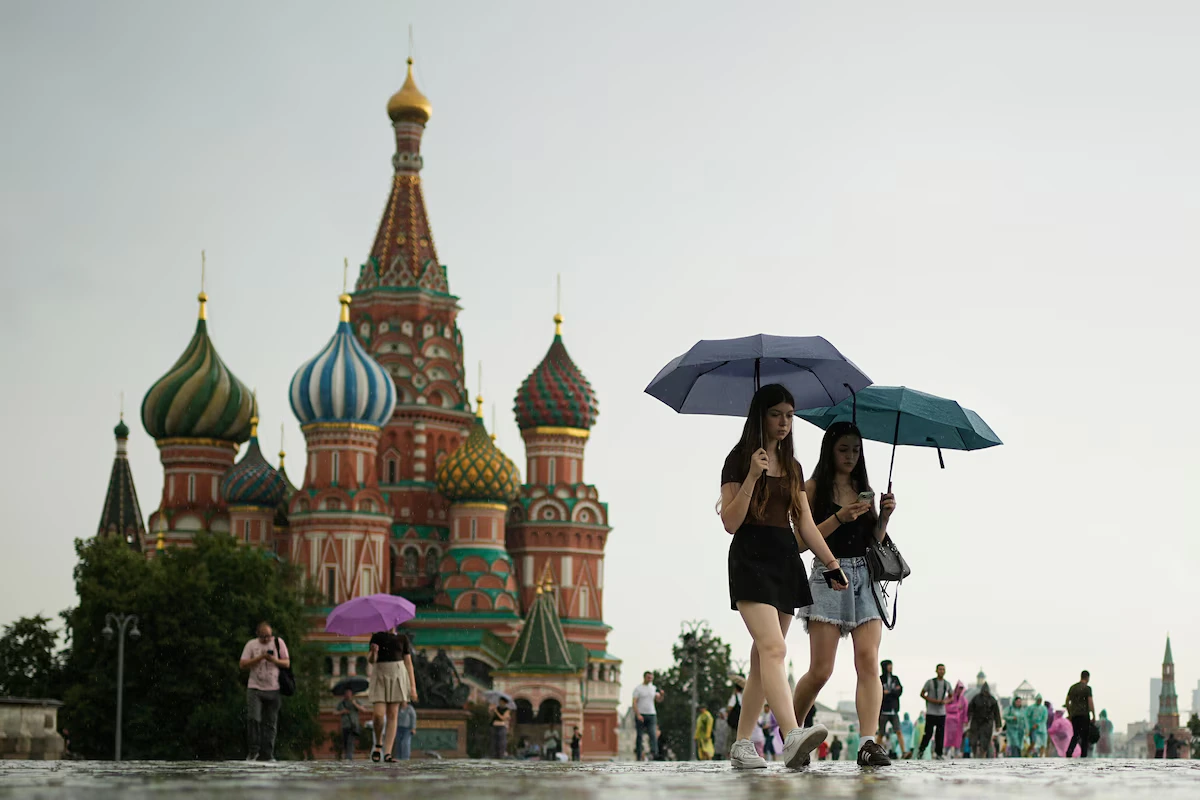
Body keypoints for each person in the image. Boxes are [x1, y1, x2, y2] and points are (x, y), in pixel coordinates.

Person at [718, 384, 847, 770]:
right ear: (761, 416)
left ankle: (742, 745)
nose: (785, 422)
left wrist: (832, 563)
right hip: (749, 558)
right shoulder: (739, 460)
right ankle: (791, 734)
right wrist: (752, 478)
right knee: (774, 650)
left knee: (762, 658)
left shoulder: (793, 468)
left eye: (790, 415)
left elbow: (805, 525)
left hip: (784, 561)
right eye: (777, 414)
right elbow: (729, 522)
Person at [791, 422, 897, 768]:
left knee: (868, 662)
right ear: (829, 451)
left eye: (856, 449)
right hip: (827, 575)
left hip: (864, 577)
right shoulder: (811, 489)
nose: (851, 456)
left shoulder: (863, 488)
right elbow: (800, 542)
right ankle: (792, 732)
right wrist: (839, 516)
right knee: (821, 670)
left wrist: (884, 518)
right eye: (843, 449)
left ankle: (868, 742)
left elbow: (874, 542)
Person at [239, 621, 291, 762]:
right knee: (254, 719)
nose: (267, 639)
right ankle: (253, 752)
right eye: (263, 637)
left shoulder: (278, 643)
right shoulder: (251, 645)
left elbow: (287, 663)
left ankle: (268, 754)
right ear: (258, 635)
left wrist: (273, 659)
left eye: (269, 636)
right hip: (255, 687)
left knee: (271, 723)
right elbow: (242, 664)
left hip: (274, 689)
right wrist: (261, 657)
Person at [367, 625, 418, 763]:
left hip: (397, 674)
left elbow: (408, 663)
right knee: (378, 715)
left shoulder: (402, 638)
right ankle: (378, 744)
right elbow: (371, 660)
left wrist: (412, 687)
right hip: (380, 674)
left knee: (393, 714)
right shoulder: (377, 636)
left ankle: (388, 753)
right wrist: (373, 652)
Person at [916, 664, 951, 759]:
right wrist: (931, 700)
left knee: (940, 733)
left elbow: (951, 696)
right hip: (931, 712)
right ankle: (921, 750)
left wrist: (945, 701)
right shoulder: (930, 682)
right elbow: (922, 693)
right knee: (928, 733)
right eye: (940, 669)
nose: (942, 671)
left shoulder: (946, 684)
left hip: (941, 712)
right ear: (936, 670)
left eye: (943, 669)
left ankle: (939, 753)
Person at [632, 671, 665, 761]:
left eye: (651, 678)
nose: (650, 679)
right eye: (648, 677)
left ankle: (655, 754)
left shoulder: (653, 688)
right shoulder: (638, 689)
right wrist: (638, 714)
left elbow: (659, 700)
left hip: (651, 714)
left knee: (653, 734)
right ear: (644, 677)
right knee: (640, 736)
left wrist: (662, 695)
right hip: (641, 715)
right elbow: (634, 702)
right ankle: (639, 755)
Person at [878, 660, 908, 757]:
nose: (891, 667)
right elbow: (880, 693)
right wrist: (892, 692)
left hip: (894, 710)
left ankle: (904, 752)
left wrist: (889, 692)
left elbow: (899, 692)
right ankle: (877, 752)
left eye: (891, 665)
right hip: (883, 710)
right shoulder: (880, 679)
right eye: (889, 665)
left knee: (898, 731)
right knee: (881, 733)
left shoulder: (895, 678)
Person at [1064, 670, 1096, 758]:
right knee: (1084, 737)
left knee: (1076, 735)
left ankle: (1069, 751)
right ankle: (1083, 755)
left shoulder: (1073, 688)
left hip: (1075, 715)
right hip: (1084, 715)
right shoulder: (1087, 688)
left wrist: (1070, 713)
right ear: (1087, 677)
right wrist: (1093, 715)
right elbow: (1090, 702)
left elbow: (1067, 701)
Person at [967, 682, 1001, 759]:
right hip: (976, 721)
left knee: (985, 740)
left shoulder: (992, 700)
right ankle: (975, 753)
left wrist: (998, 725)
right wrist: (967, 719)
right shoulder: (976, 698)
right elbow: (970, 709)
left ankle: (983, 754)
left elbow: (996, 713)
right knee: (974, 739)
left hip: (987, 722)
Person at [337, 688, 369, 759]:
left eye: (349, 693)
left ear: (351, 694)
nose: (348, 694)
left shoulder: (356, 701)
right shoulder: (342, 703)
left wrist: (355, 704)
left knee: (350, 741)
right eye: (346, 693)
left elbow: (364, 710)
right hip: (345, 725)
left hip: (353, 725)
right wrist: (342, 711)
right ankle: (347, 756)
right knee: (345, 742)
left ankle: (349, 756)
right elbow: (335, 712)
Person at [942, 681, 967, 759]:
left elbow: (965, 710)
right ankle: (945, 751)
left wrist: (965, 720)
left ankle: (956, 752)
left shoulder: (963, 700)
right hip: (950, 721)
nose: (960, 690)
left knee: (957, 738)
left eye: (961, 689)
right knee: (948, 737)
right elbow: (945, 706)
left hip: (959, 722)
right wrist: (956, 707)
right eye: (959, 688)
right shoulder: (950, 697)